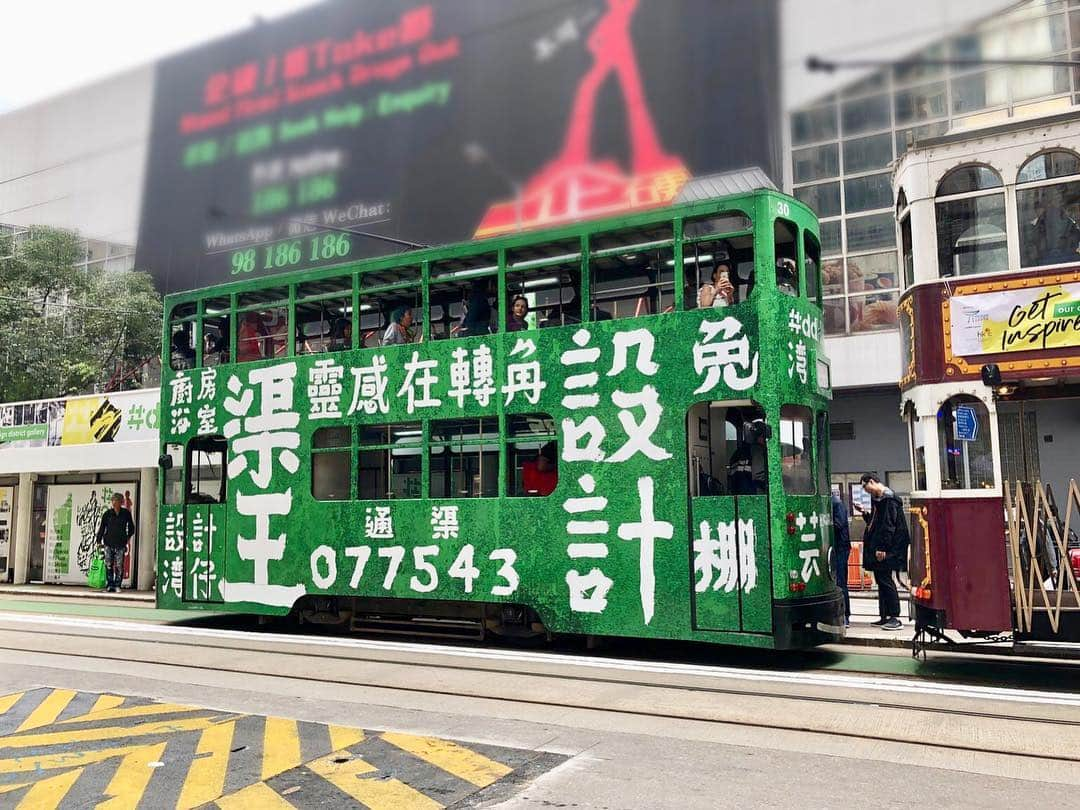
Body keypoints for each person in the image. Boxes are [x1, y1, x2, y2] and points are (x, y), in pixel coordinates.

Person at [854, 473, 910, 631]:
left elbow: (888, 527)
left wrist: (883, 549)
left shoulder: (888, 500)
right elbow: (876, 523)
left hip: (887, 549)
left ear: (871, 482)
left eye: (866, 487)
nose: (866, 491)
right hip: (881, 548)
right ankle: (884, 616)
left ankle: (894, 617)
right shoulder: (879, 500)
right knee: (881, 581)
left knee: (885, 580)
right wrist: (865, 513)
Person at [96, 492, 134, 593]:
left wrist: (128, 537)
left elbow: (131, 527)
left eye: (116, 500)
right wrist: (98, 541)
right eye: (113, 500)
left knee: (119, 565)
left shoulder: (126, 513)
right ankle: (110, 584)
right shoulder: (107, 514)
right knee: (108, 564)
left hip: (121, 543)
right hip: (108, 542)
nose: (114, 502)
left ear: (121, 502)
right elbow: (102, 528)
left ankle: (118, 585)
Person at [727, 418, 767, 495]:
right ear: (759, 437)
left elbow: (731, 476)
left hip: (738, 495)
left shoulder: (738, 452)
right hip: (754, 494)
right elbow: (758, 475)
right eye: (764, 437)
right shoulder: (757, 450)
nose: (765, 441)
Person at [831, 491, 851, 627]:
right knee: (839, 582)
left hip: (840, 547)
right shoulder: (835, 503)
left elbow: (839, 524)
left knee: (841, 582)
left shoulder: (836, 504)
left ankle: (845, 615)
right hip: (839, 547)